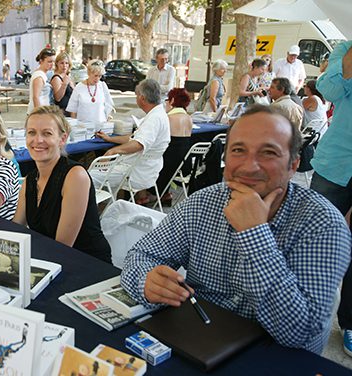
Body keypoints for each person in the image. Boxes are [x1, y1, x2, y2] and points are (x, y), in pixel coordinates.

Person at [121, 105, 351, 354]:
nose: (250, 166)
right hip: (202, 341)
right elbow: (141, 255)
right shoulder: (203, 203)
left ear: (293, 165)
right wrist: (147, 281)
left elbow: (297, 332)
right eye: (238, 150)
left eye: (268, 153)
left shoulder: (323, 223)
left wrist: (254, 233)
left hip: (276, 358)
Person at [12, 105, 111, 263]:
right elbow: (16, 229)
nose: (38, 140)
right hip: (49, 257)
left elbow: (62, 246)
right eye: (31, 133)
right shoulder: (30, 180)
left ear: (62, 139)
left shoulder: (75, 176)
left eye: (47, 133)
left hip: (86, 263)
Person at [311, 40, 352, 357]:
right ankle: (304, 311)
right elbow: (331, 89)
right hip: (335, 165)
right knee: (314, 240)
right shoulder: (344, 48)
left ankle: (350, 322)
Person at [93, 79, 170, 201]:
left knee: (88, 176)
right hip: (145, 168)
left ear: (142, 98)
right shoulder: (158, 114)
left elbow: (139, 144)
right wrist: (110, 139)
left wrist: (113, 151)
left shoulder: (154, 119)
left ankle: (88, 210)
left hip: (135, 171)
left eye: (137, 95)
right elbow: (134, 138)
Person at [151, 88, 193, 206]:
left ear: (172, 100)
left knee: (145, 158)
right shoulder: (189, 118)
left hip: (168, 164)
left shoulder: (169, 118)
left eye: (167, 100)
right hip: (184, 162)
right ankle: (165, 194)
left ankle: (144, 196)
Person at [28, 47, 55, 114]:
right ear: (41, 61)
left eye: (53, 61)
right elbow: (35, 97)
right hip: (38, 113)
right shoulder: (39, 76)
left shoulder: (43, 74)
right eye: (49, 62)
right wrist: (39, 115)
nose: (52, 64)